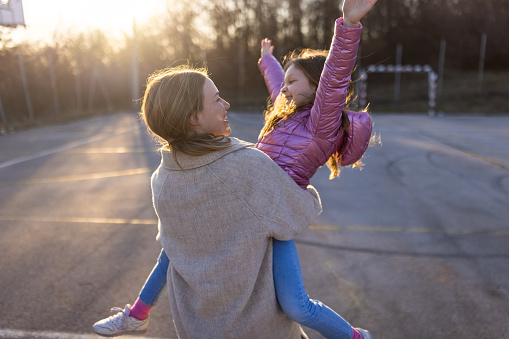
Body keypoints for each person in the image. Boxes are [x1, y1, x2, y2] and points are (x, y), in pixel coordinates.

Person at [93, 0, 377, 338]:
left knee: (297, 306)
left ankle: (355, 336)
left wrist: (347, 25)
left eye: (294, 82)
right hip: (246, 195)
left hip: (274, 209)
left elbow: (335, 77)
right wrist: (268, 61)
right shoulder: (286, 112)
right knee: (174, 246)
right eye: (284, 82)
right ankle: (137, 314)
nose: (284, 89)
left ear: (316, 87)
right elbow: (276, 85)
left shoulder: (321, 122)